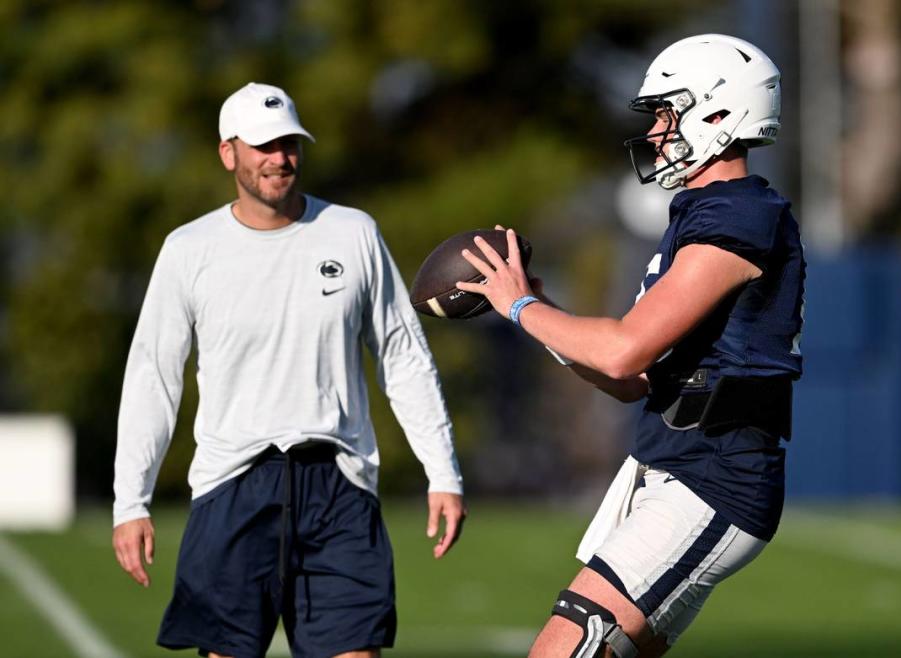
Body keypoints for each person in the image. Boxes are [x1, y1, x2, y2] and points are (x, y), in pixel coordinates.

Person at [457, 34, 804, 657]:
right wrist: (542, 317)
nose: (655, 134)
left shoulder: (740, 217)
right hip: (671, 464)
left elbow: (624, 352)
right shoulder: (704, 213)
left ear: (718, 115)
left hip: (714, 474)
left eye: (668, 114)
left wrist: (520, 304)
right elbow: (628, 381)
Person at [112, 82, 466, 658]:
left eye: (290, 144)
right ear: (229, 152)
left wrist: (443, 471)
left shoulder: (354, 233)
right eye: (263, 146)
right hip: (232, 487)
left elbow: (403, 355)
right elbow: (153, 377)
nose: (280, 158)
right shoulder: (188, 249)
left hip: (340, 487)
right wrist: (132, 501)